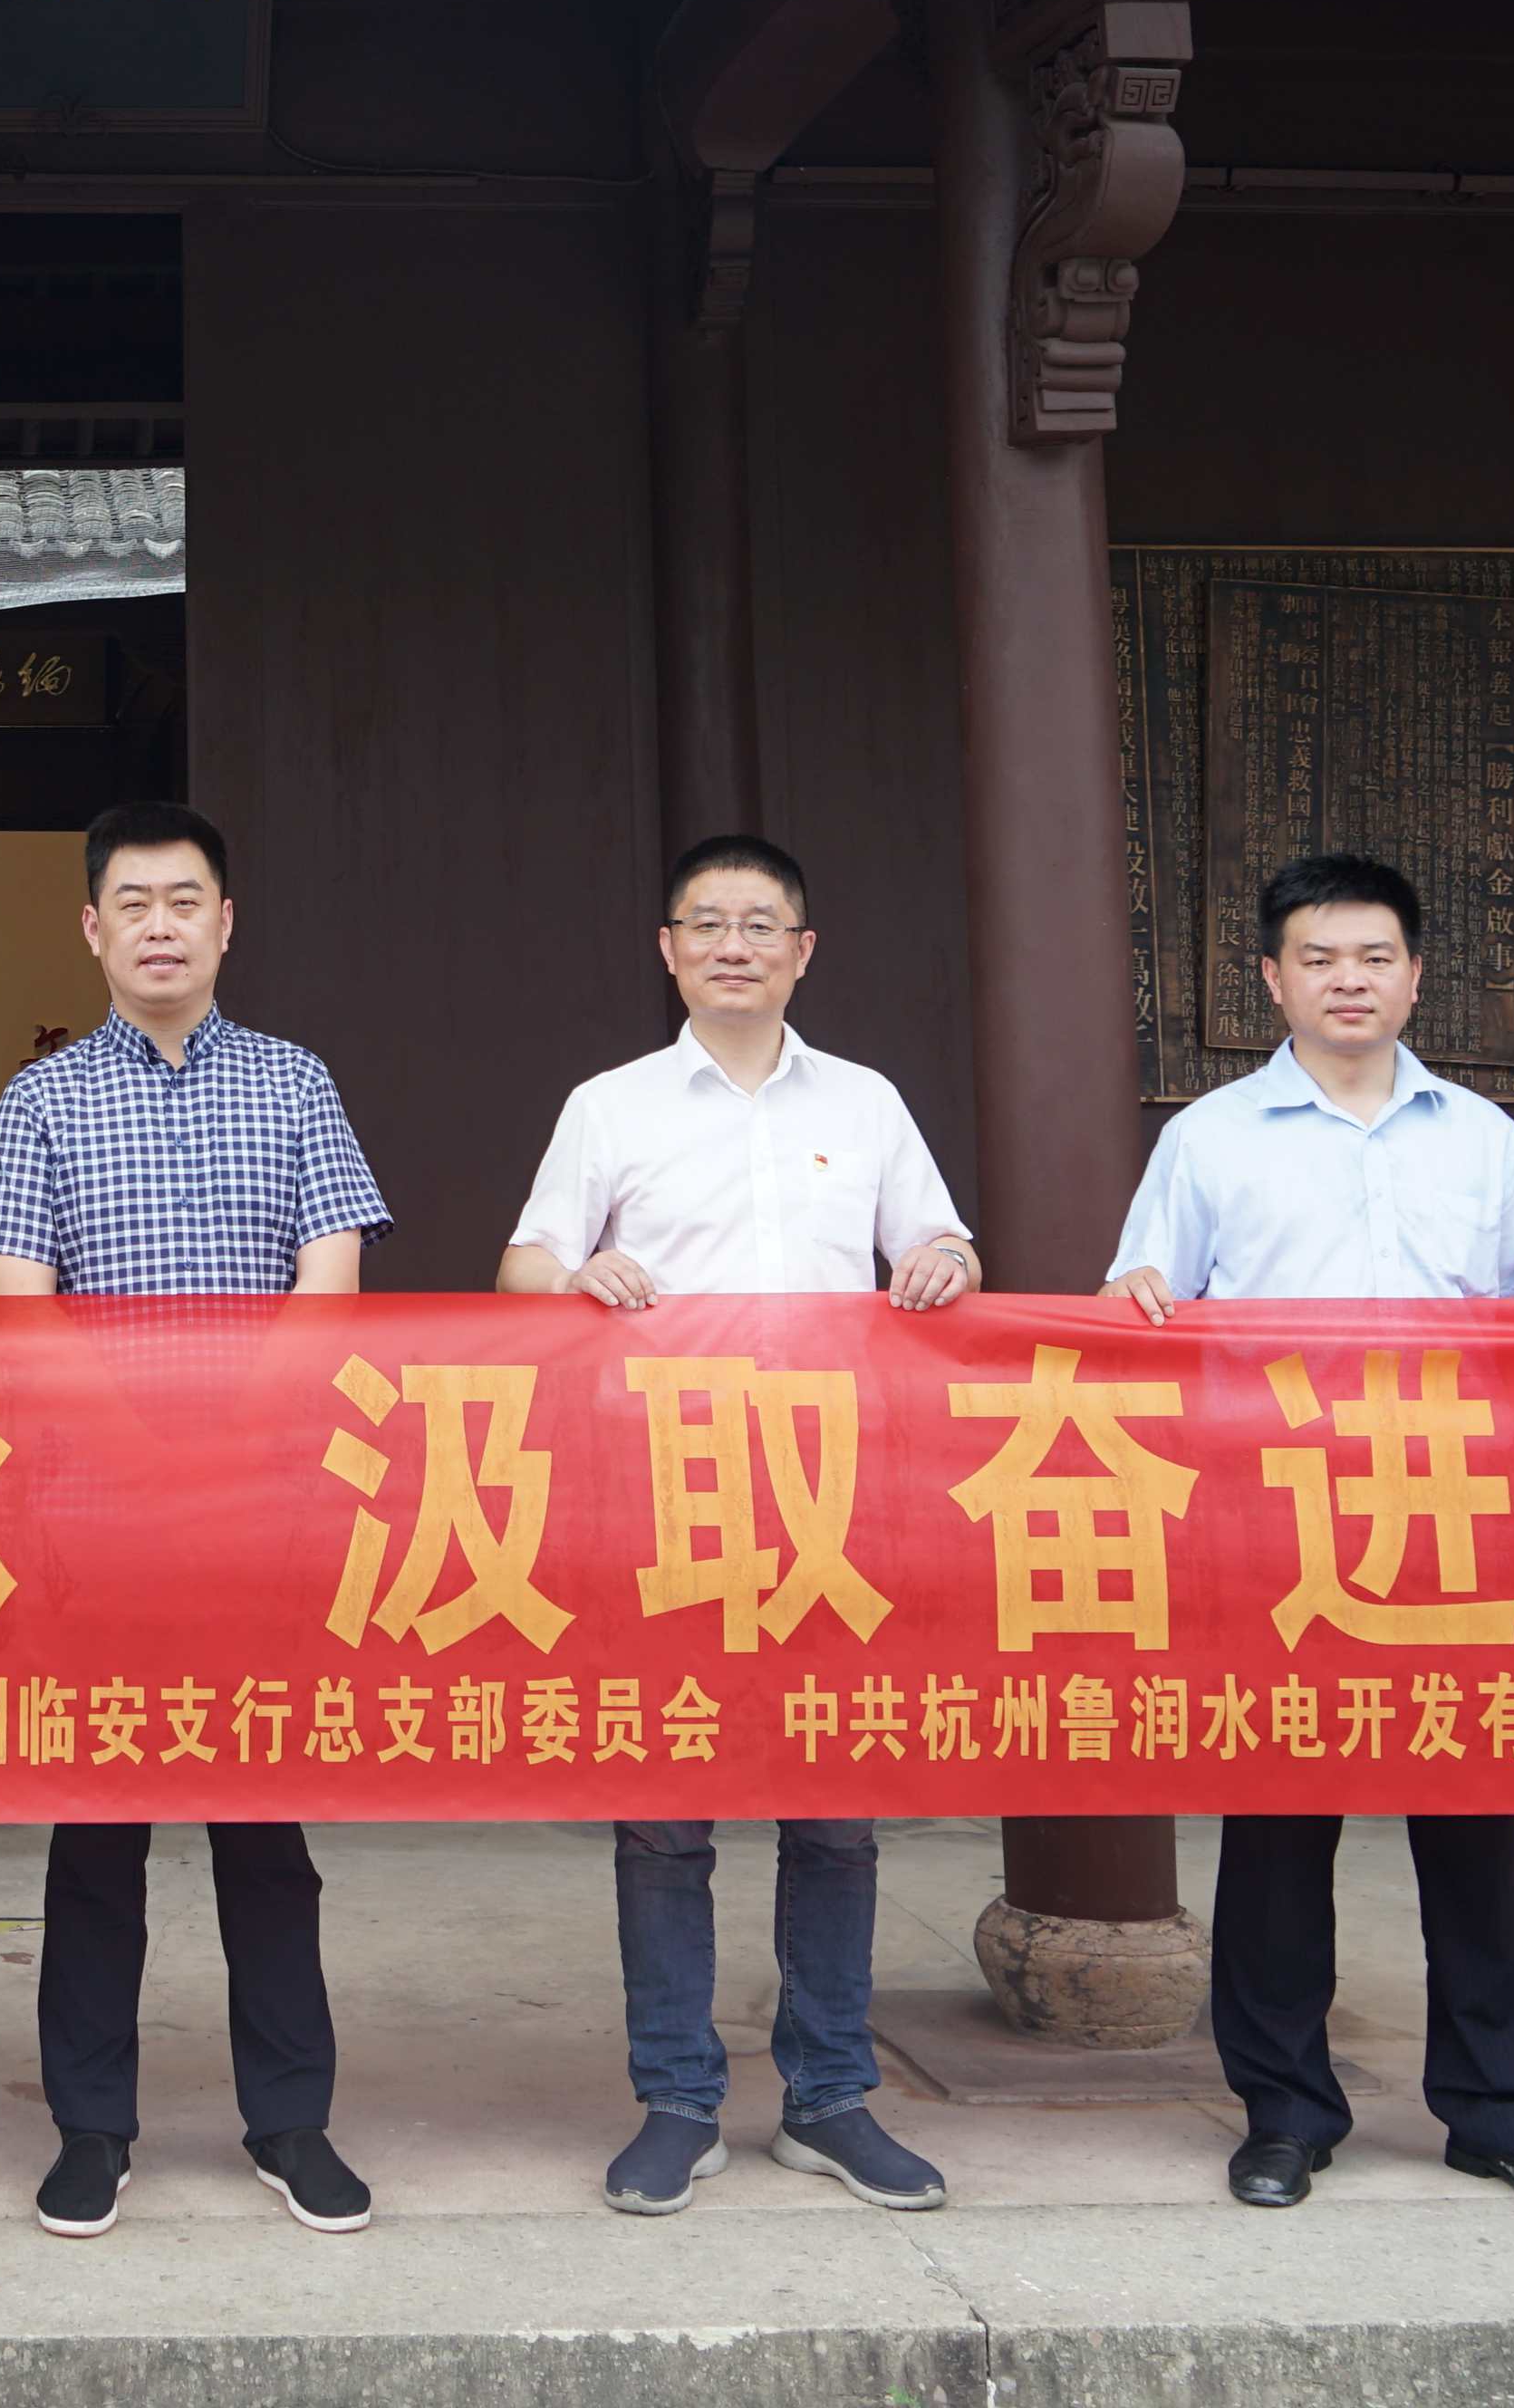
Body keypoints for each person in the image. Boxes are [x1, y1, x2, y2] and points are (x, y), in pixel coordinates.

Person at [1106, 849, 1514, 2223]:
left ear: (1414, 976)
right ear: (1272, 979)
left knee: (1473, 1830)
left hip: (1450, 1513)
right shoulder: (1211, 1137)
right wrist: (1140, 1299)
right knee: (1280, 1833)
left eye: (1374, 958)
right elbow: (1140, 1304)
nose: (1348, 981)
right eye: (1319, 959)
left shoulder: (1480, 1135)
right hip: (1279, 1519)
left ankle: (1503, 2111)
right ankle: (1285, 2113)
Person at [504, 831, 975, 2219]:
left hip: (835, 1497)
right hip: (666, 1497)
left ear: (802, 951)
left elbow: (941, 1245)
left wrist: (944, 1260)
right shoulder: (612, 1105)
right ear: (669, 949)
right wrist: (575, 1276)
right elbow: (522, 1268)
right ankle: (676, 2102)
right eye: (706, 922)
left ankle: (829, 2100)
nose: (733, 945)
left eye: (760, 924)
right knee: (665, 1821)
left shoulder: (868, 1103)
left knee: (835, 1819)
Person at [0, 798, 389, 2241]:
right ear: (93, 928)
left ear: (227, 922)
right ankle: (92, 2129)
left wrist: (228, 1448)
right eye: (133, 903)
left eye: (185, 900)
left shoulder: (295, 1082)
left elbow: (331, 1282)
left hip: (265, 1517)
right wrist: (146, 1456)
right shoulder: (40, 1100)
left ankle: (291, 2121)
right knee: (98, 1839)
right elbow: (20, 1311)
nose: (160, 926)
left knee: (265, 1834)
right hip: (97, 1526)